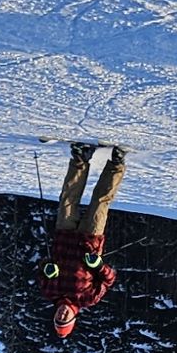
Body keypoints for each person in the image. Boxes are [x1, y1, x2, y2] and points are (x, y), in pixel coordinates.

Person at [39, 143, 125, 338]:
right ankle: (116, 163)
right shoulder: (88, 299)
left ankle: (80, 158)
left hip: (64, 235)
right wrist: (98, 265)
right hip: (90, 240)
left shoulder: (49, 291)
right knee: (100, 202)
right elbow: (109, 279)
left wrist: (47, 268)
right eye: (65, 319)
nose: (62, 314)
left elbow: (43, 265)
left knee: (68, 198)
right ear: (72, 318)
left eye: (58, 317)